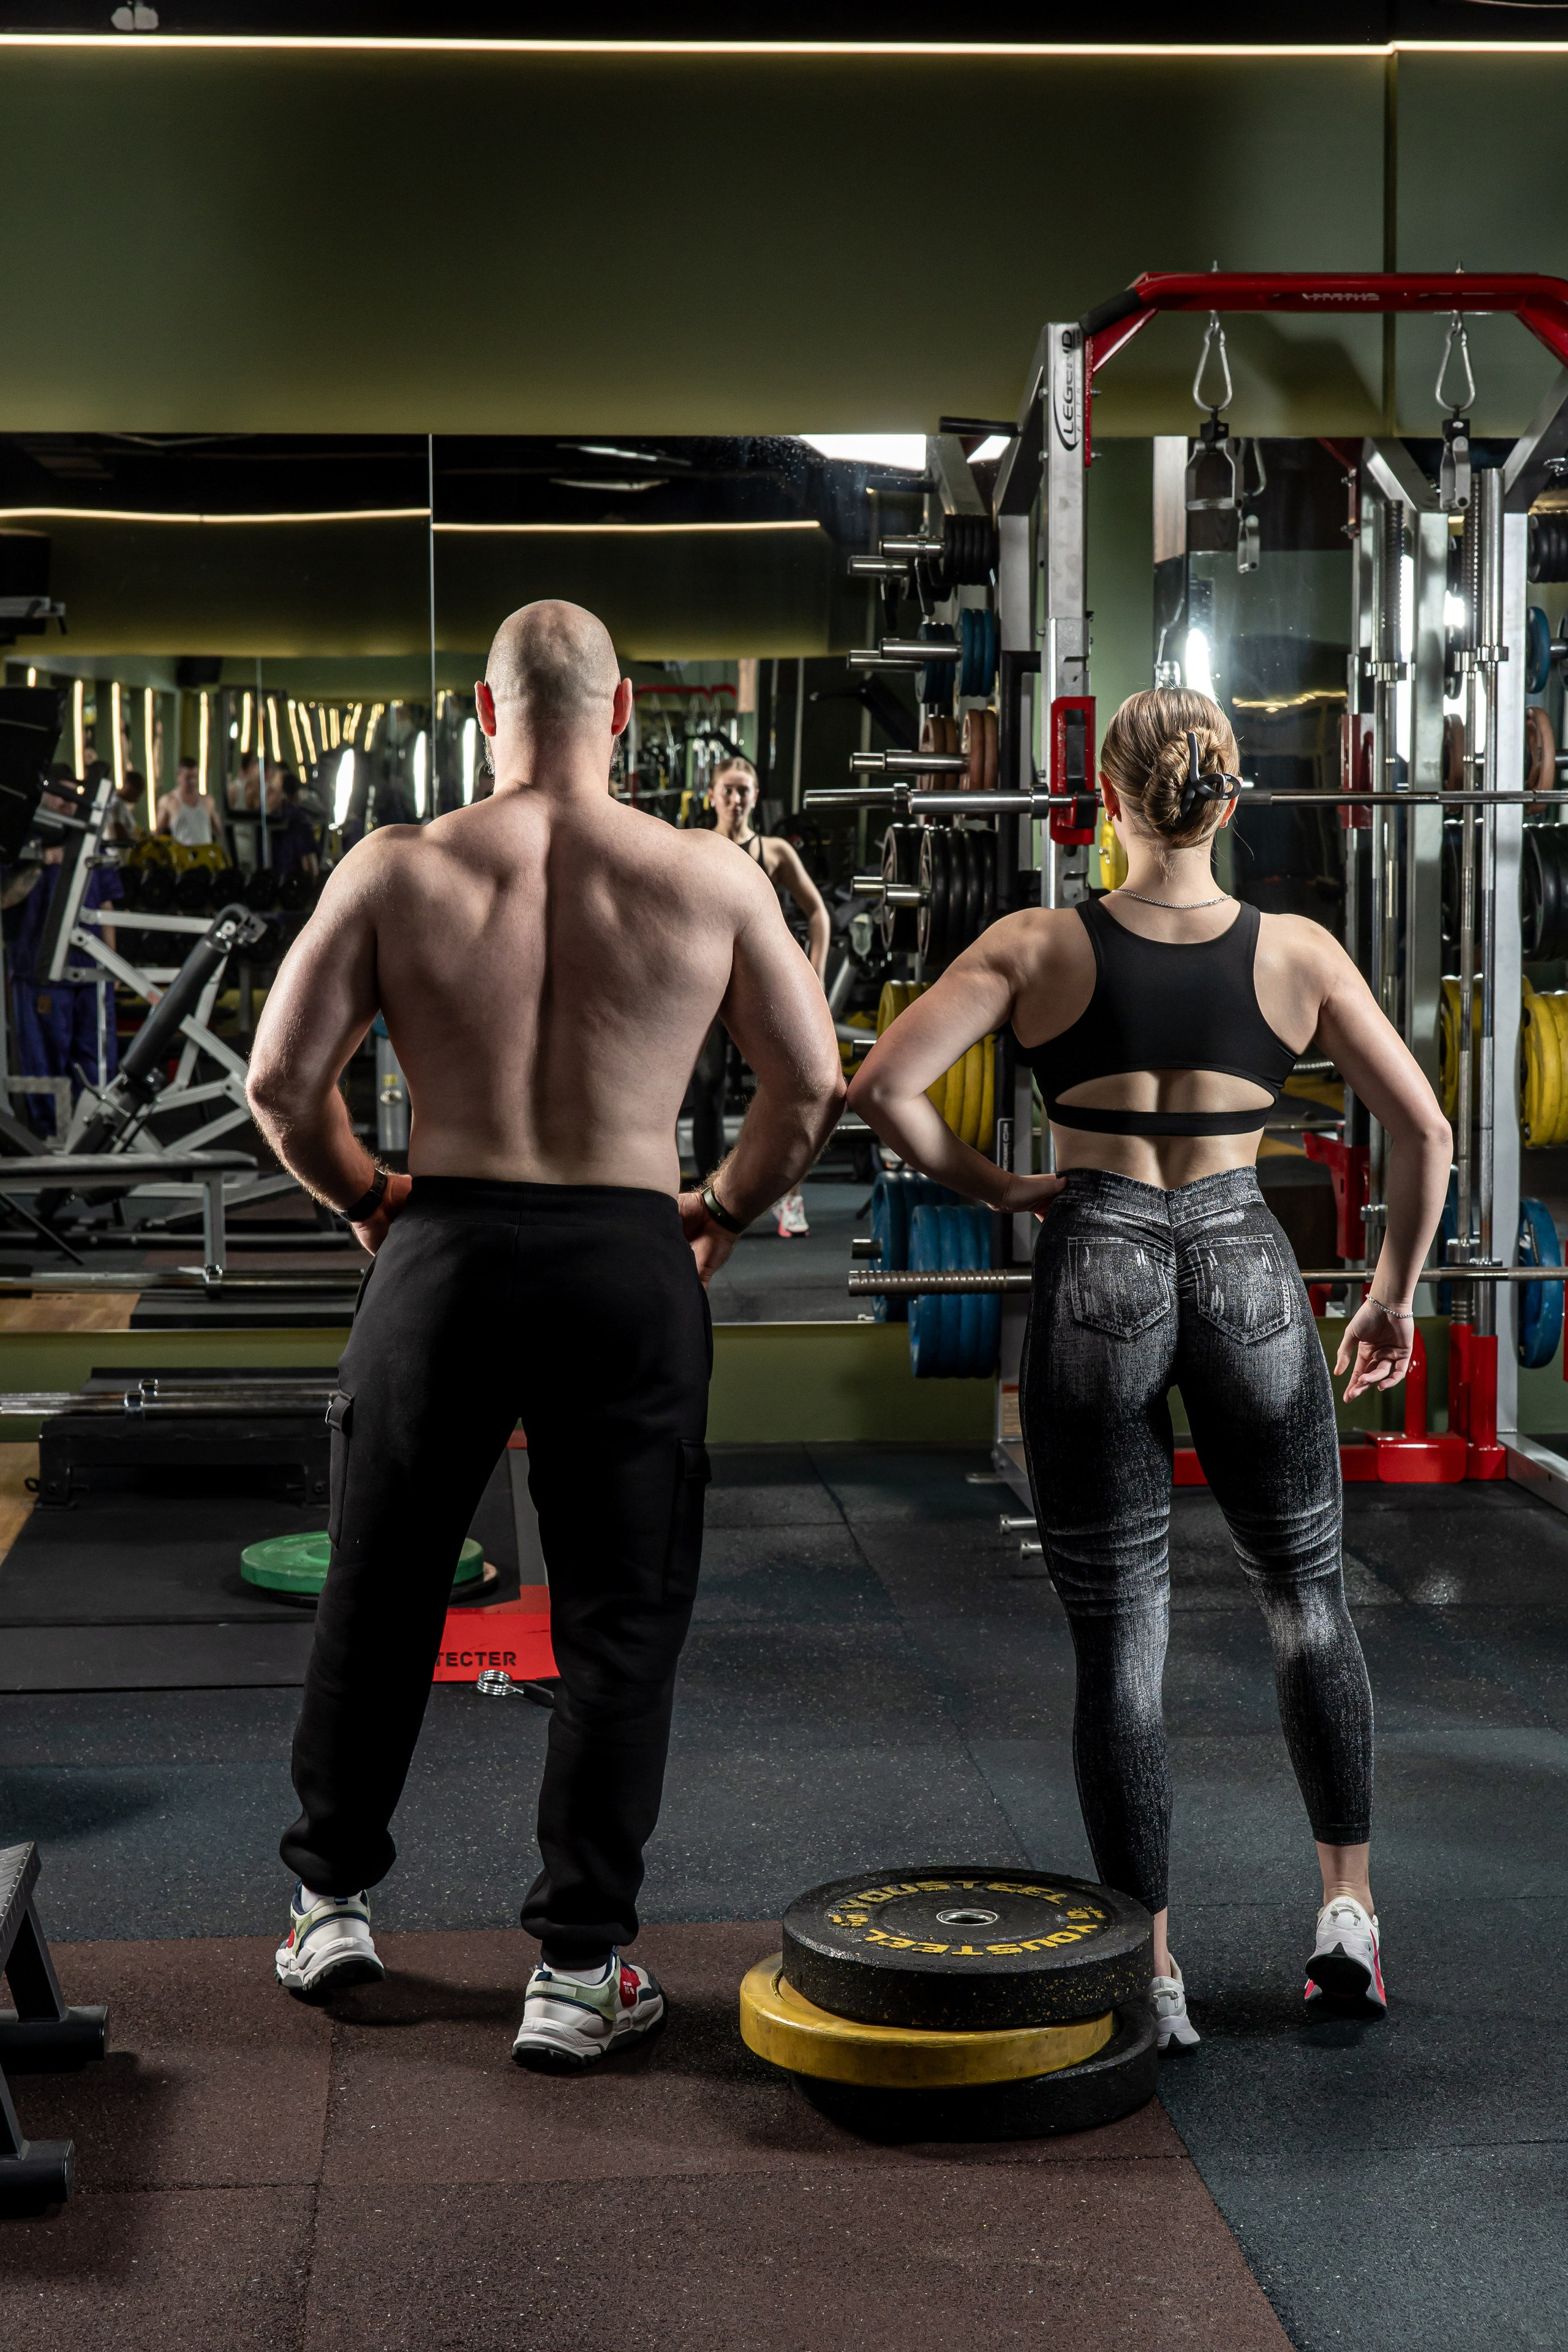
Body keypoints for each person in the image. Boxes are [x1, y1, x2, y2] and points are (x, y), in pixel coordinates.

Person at [246, 600, 843, 2064]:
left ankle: (328, 1901)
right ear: (626, 708)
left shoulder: (400, 867)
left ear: (483, 708)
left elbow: (276, 1082)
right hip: (625, 1252)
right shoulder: (701, 873)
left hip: (444, 1246)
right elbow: (812, 1085)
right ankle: (577, 1969)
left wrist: (376, 1196)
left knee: (380, 1583)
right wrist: (709, 1209)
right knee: (617, 1618)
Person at [848, 687, 1451, 2048]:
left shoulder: (1035, 944)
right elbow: (1422, 1130)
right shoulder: (1294, 953)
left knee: (1122, 1639)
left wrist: (1000, 1183)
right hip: (1245, 1254)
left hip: (1097, 1248)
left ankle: (1153, 1971)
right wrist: (1390, 1296)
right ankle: (1344, 1913)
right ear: (1226, 803)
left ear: (1103, 802)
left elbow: (879, 1085)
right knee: (1303, 1597)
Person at [692, 754, 831, 1238]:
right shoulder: (696, 848)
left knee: (786, 1090)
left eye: (744, 790)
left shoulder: (772, 851)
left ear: (755, 796)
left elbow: (818, 913)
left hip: (762, 992)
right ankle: (712, 1202)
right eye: (728, 789)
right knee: (707, 1086)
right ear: (712, 795)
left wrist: (812, 979)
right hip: (710, 988)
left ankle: (785, 1199)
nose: (736, 798)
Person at [2, 766, 124, 1129]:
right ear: (44, 799)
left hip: (90, 969)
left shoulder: (91, 842)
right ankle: (49, 1140)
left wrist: (113, 964)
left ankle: (97, 1135)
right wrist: (42, 861)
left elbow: (107, 906)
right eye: (60, 796)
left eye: (73, 796)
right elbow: (5, 899)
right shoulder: (21, 845)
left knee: (96, 1062)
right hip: (38, 971)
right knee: (44, 1060)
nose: (67, 805)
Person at [157, 756, 217, 846]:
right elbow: (158, 833)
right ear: (178, 775)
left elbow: (219, 830)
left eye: (195, 777)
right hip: (182, 856)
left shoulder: (208, 801)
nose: (192, 782)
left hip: (205, 856)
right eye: (188, 778)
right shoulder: (168, 801)